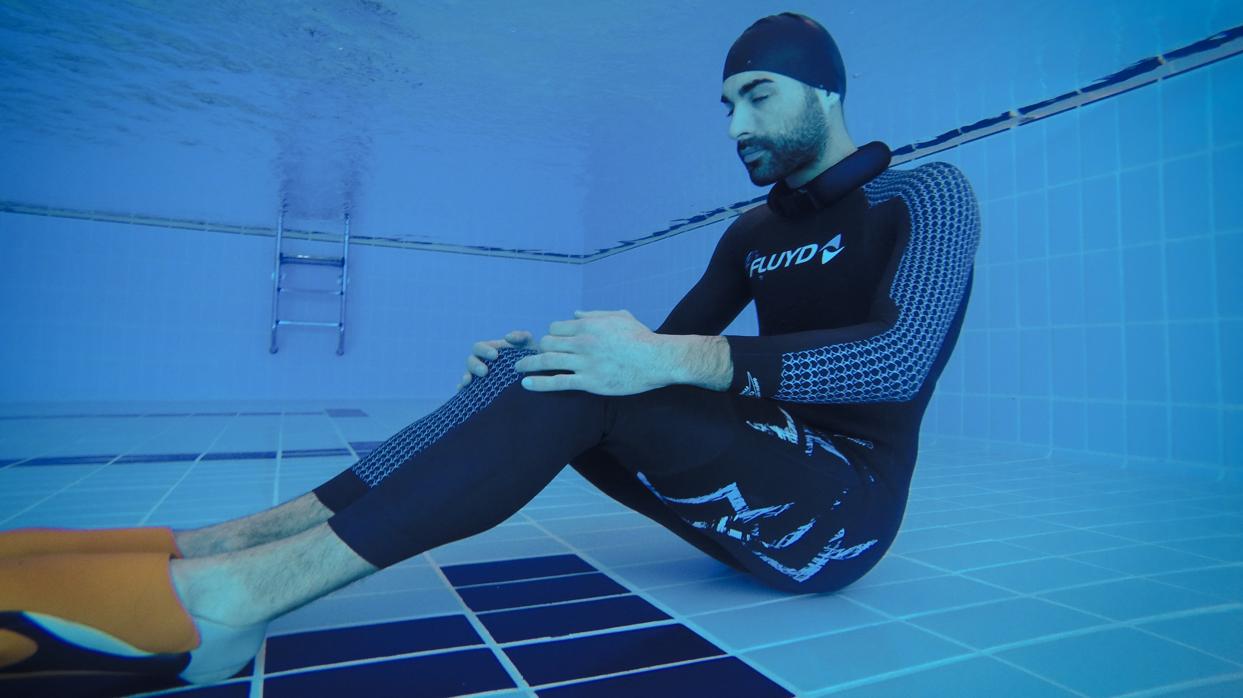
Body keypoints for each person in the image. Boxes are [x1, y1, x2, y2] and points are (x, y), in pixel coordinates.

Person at [0, 11, 981, 686]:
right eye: (725, 106)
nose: (736, 126)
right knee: (562, 361)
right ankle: (228, 540)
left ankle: (231, 602)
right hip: (766, 465)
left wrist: (659, 362)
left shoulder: (925, 197)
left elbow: (894, 361)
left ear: (822, 92)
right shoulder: (748, 232)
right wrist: (530, 363)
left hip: (843, 513)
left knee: (600, 378)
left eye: (756, 97)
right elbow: (659, 344)